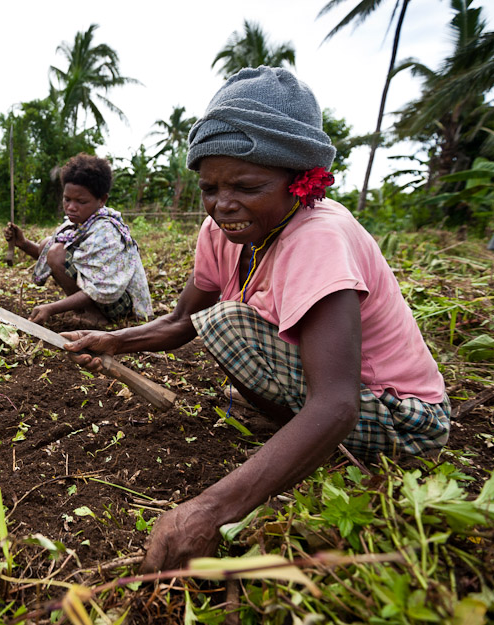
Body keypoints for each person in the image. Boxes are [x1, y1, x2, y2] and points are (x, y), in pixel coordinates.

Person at [62, 67, 451, 573]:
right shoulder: (220, 231)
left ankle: (307, 447)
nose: (224, 206)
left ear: (299, 180)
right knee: (221, 321)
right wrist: (109, 340)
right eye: (209, 188)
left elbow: (335, 404)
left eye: (247, 185)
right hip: (344, 404)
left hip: (405, 422)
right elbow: (182, 320)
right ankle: (295, 442)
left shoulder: (318, 236)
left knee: (228, 323)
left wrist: (210, 511)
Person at [4, 153, 153, 327]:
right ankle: (89, 312)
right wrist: (23, 243)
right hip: (103, 293)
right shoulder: (79, 222)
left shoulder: (106, 231)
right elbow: (47, 254)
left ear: (102, 200)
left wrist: (51, 308)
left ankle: (94, 315)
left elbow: (103, 289)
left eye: (81, 201)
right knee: (48, 245)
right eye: (67, 199)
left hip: (118, 301)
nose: (71, 207)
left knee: (56, 252)